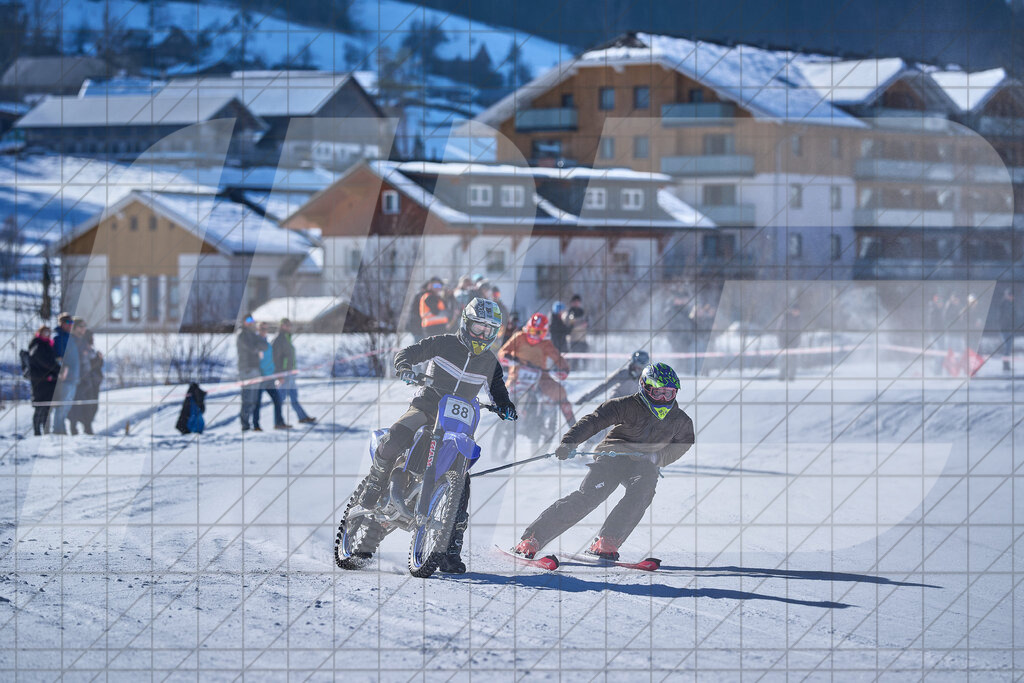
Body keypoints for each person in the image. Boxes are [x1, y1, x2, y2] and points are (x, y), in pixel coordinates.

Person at [356, 297, 517, 574]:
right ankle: (375, 483)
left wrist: (506, 406)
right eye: (478, 328)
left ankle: (449, 550)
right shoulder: (444, 343)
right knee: (397, 436)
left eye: (489, 331)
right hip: (428, 406)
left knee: (462, 483)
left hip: (459, 423)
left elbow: (499, 390)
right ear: (466, 324)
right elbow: (408, 353)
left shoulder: (490, 362)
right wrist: (405, 367)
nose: (482, 335)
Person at [514, 362, 694, 561]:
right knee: (591, 496)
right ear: (644, 387)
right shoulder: (626, 405)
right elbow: (594, 420)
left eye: (669, 394)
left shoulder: (680, 420)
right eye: (658, 392)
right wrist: (569, 442)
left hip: (643, 463)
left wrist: (658, 457)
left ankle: (607, 540)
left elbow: (683, 443)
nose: (663, 399)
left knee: (643, 491)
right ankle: (533, 538)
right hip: (612, 457)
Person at [497, 312, 576, 427]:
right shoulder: (519, 337)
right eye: (531, 331)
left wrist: (563, 369)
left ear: (544, 333)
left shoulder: (546, 344)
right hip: (517, 374)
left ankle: (574, 427)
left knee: (560, 393)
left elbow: (558, 358)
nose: (533, 335)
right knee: (502, 393)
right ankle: (500, 418)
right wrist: (508, 357)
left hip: (540, 376)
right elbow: (502, 352)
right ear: (527, 328)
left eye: (537, 332)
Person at [273, 318, 315, 424]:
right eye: (287, 325)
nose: (289, 327)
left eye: (290, 325)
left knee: (293, 396)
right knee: (280, 398)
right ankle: (278, 421)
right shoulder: (279, 339)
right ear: (282, 326)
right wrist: (279, 375)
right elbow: (275, 359)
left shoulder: (287, 338)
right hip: (284, 373)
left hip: (290, 373)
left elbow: (290, 356)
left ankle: (302, 417)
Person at [577, 350, 650, 404]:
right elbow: (604, 386)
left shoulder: (646, 378)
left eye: (641, 367)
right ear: (632, 363)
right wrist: (585, 397)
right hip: (616, 403)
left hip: (632, 406)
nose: (639, 370)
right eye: (637, 366)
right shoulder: (623, 373)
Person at [52, 317, 86, 435]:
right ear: (61, 323)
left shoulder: (70, 338)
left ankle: (61, 429)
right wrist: (63, 369)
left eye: (71, 322)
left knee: (67, 406)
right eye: (67, 322)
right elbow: (58, 357)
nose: (69, 325)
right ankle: (57, 429)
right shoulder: (59, 338)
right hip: (66, 378)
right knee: (62, 405)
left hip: (74, 377)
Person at [68, 329, 103, 435]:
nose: (93, 339)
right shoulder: (82, 348)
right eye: (91, 337)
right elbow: (89, 365)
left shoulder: (90, 349)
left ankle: (87, 426)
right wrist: (98, 359)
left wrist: (99, 358)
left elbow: (97, 365)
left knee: (92, 406)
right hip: (84, 381)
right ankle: (78, 427)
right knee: (82, 406)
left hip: (92, 382)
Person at [255, 321, 289, 430]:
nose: (264, 331)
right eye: (262, 329)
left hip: (269, 377)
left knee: (277, 400)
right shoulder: (256, 343)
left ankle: (278, 423)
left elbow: (271, 360)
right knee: (257, 403)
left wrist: (277, 375)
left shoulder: (268, 343)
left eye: (265, 328)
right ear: (258, 329)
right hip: (260, 378)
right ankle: (256, 426)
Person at [27, 325, 59, 436]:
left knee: (48, 407)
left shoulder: (49, 345)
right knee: (39, 406)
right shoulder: (36, 344)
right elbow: (42, 361)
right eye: (45, 332)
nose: (47, 334)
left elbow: (52, 361)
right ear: (40, 332)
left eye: (49, 333)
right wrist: (55, 369)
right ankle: (37, 431)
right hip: (39, 380)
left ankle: (46, 430)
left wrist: (55, 371)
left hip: (50, 380)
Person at [236, 315, 263, 432]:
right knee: (247, 399)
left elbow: (264, 345)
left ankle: (250, 423)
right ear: (243, 321)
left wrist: (258, 346)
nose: (250, 323)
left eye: (251, 320)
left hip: (255, 369)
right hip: (246, 369)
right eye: (248, 320)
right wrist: (257, 348)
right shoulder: (242, 334)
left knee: (253, 399)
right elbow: (251, 348)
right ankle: (245, 424)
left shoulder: (252, 334)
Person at [777, 304, 802, 381]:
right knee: (784, 360)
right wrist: (782, 342)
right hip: (784, 343)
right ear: (793, 310)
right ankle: (782, 376)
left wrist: (797, 343)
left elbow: (799, 332)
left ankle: (791, 376)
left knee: (793, 360)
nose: (797, 313)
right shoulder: (785, 317)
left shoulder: (798, 319)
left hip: (794, 344)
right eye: (796, 311)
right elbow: (779, 330)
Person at [566, 294, 589, 370]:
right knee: (574, 360)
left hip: (583, 339)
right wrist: (581, 325)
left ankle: (586, 372)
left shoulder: (582, 311)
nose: (576, 303)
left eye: (578, 301)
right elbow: (570, 325)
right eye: (575, 301)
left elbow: (587, 323)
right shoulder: (571, 312)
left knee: (586, 358)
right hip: (574, 339)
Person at [997, 287, 1016, 372]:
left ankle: (1007, 365)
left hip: (1009, 328)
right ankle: (1005, 365)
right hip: (1005, 329)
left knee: (1008, 347)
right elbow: (1004, 317)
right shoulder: (1004, 304)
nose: (1013, 298)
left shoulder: (1010, 304)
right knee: (1007, 347)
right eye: (1011, 296)